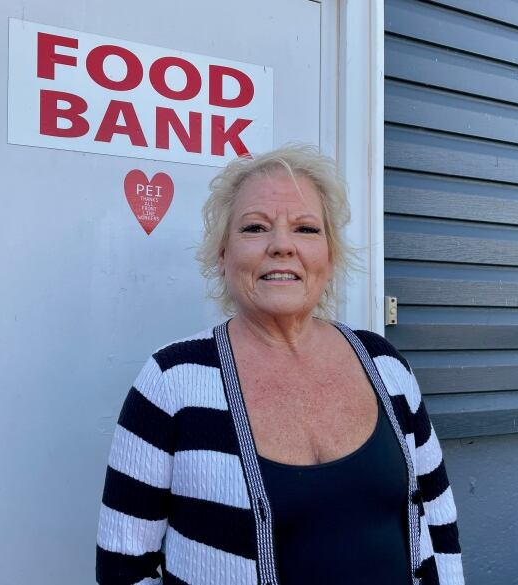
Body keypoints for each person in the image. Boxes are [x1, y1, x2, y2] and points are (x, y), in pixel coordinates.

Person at [96, 145, 464, 585]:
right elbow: (123, 567)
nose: (282, 246)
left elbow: (438, 521)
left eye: (306, 229)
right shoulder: (171, 382)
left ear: (328, 258)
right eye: (255, 227)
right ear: (222, 256)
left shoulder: (385, 365)